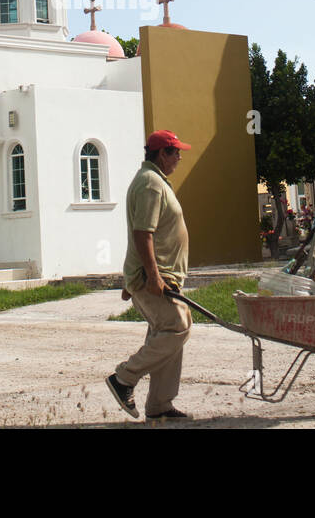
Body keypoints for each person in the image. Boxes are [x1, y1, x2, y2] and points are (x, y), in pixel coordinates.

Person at [106, 129, 192, 421]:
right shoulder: (151, 185)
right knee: (177, 326)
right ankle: (123, 378)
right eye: (176, 151)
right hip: (155, 278)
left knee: (168, 335)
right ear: (161, 153)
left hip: (161, 277)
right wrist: (151, 277)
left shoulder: (153, 182)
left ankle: (159, 406)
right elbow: (143, 234)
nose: (179, 157)